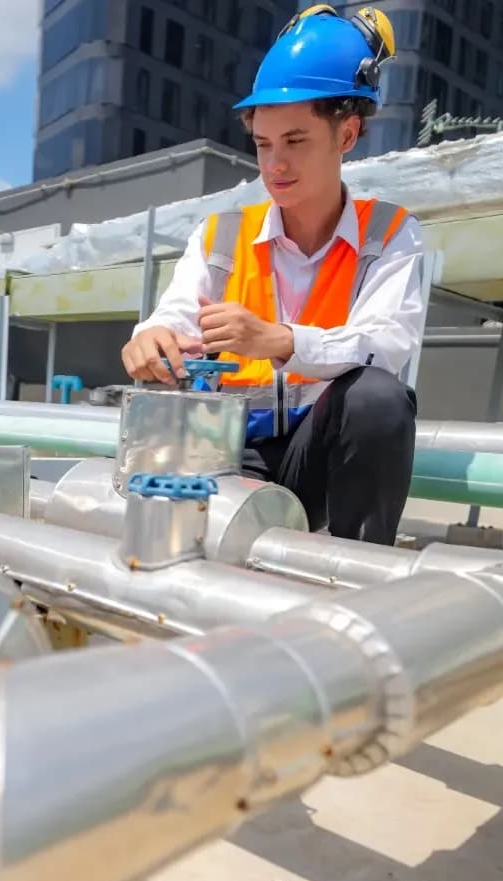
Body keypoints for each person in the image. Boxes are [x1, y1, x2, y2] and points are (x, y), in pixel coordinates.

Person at [120, 6, 425, 546]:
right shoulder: (220, 238)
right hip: (229, 452)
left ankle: (356, 574)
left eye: (296, 141)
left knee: (378, 398)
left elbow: (387, 345)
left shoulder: (389, 235)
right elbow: (174, 313)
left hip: (324, 456)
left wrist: (277, 340)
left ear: (347, 134)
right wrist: (150, 338)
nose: (275, 165)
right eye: (263, 144)